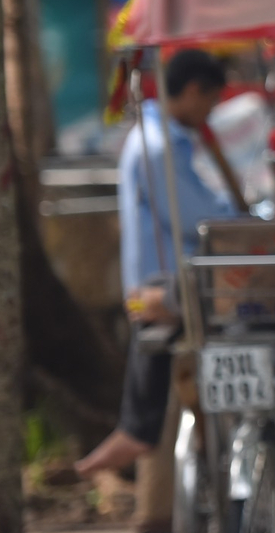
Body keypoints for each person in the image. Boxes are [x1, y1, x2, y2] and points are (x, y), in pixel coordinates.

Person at [77, 49, 239, 479]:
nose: (210, 112)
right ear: (191, 91)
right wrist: (241, 220)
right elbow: (195, 219)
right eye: (210, 101)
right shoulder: (157, 146)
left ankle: (139, 430)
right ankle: (136, 431)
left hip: (156, 283)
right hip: (160, 286)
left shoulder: (160, 139)